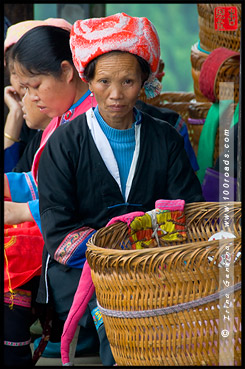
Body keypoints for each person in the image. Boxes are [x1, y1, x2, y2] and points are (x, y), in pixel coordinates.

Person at [35, 13, 204, 365]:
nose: (115, 95)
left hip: (155, 264)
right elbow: (59, 232)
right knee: (122, 316)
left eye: (128, 81)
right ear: (89, 80)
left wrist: (146, 257)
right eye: (105, 81)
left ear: (144, 80)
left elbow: (188, 210)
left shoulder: (166, 139)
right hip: (84, 272)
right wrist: (117, 256)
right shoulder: (63, 145)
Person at [4, 24, 99, 366]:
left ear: (67, 72)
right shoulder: (64, 119)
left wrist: (20, 212)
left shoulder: (86, 123)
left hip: (74, 249)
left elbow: (77, 201)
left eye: (35, 86)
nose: (31, 97)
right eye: (25, 89)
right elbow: (40, 181)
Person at [4, 18, 72, 173]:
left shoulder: (78, 127)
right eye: (13, 73)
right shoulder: (42, 130)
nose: (29, 94)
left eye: (34, 85)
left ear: (67, 72)